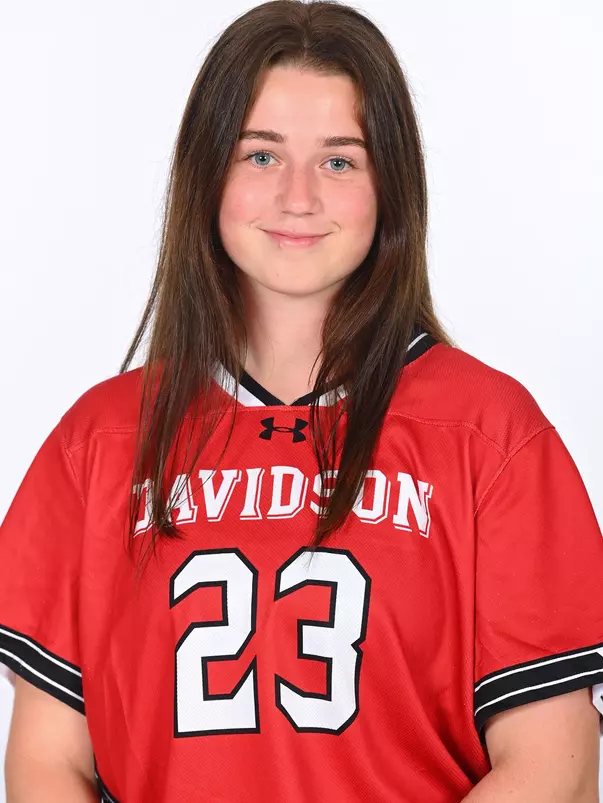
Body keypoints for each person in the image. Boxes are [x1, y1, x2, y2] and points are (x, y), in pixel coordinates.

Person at [1, 1, 602, 801]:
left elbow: (552, 768)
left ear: (390, 184)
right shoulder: (100, 439)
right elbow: (48, 763)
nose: (296, 196)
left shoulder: (489, 434)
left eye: (339, 161)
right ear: (205, 172)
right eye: (259, 155)